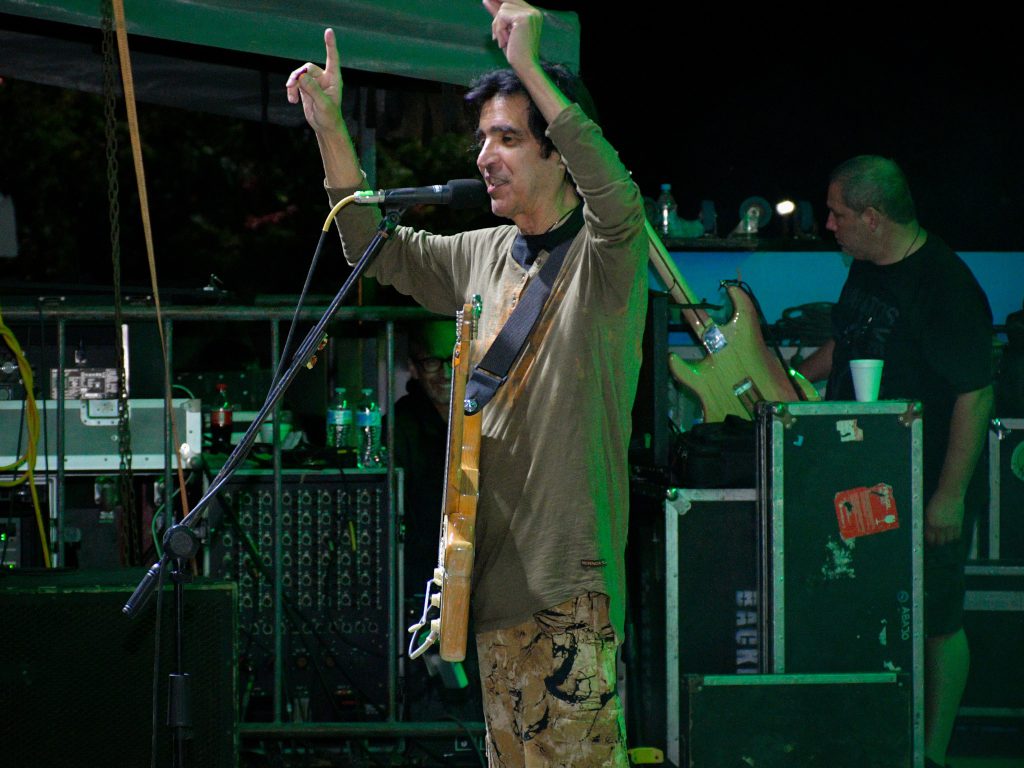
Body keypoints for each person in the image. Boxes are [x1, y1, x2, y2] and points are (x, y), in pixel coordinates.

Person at [286, 2, 648, 764]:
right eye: (482, 138)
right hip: (485, 587)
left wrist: (529, 66)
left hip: (565, 586)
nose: (485, 155)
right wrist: (330, 128)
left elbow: (617, 196)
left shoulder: (605, 257)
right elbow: (370, 246)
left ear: (560, 153)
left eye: (508, 138)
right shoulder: (481, 253)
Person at [799, 155, 994, 768]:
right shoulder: (867, 267)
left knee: (937, 617)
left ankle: (932, 753)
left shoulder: (946, 285)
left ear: (873, 217)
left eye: (838, 214)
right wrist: (793, 381)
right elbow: (851, 338)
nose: (829, 225)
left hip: (928, 481)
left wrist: (949, 496)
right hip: (865, 481)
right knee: (867, 601)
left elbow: (976, 394)